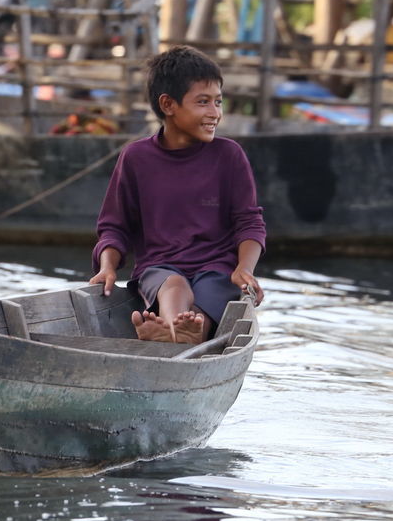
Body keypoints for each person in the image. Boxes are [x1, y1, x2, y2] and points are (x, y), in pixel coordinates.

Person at [89, 46, 266, 344]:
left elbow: (249, 222)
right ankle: (177, 331)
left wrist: (243, 269)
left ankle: (173, 333)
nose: (215, 113)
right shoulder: (136, 158)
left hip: (219, 268)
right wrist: (107, 267)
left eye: (218, 102)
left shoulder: (229, 155)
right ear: (168, 105)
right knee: (173, 287)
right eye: (203, 102)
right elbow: (115, 226)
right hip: (159, 268)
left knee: (208, 296)